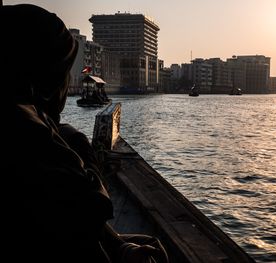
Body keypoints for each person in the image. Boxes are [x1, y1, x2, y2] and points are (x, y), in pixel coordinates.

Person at [1, 4, 168, 263]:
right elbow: (91, 206)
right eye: (63, 73)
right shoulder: (25, 130)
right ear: (43, 75)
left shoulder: (32, 118)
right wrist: (86, 161)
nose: (67, 83)